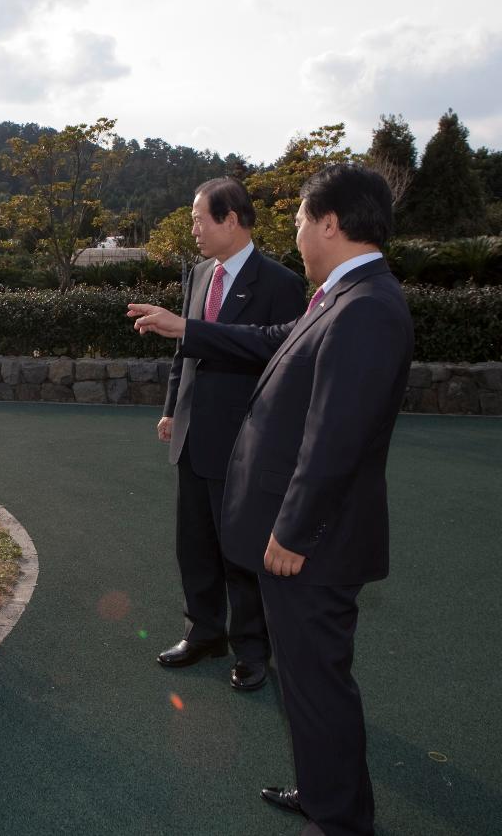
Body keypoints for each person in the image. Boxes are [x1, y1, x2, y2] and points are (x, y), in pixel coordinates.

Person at [128, 164, 413, 836]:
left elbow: (334, 441)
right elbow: (267, 343)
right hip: (313, 539)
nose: (297, 233)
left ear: (330, 224)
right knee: (309, 686)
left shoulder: (367, 306)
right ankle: (323, 793)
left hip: (316, 544)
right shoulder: (341, 297)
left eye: (300, 221)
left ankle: (340, 819)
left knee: (319, 686)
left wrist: (290, 532)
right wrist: (186, 329)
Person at [155, 177, 306, 692]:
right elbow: (186, 348)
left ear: (232, 220)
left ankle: (252, 648)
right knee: (193, 544)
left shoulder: (280, 283)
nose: (193, 229)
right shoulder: (200, 274)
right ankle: (203, 632)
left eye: (200, 219)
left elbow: (276, 354)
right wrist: (174, 407)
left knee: (240, 551)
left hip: (245, 443)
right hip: (194, 435)